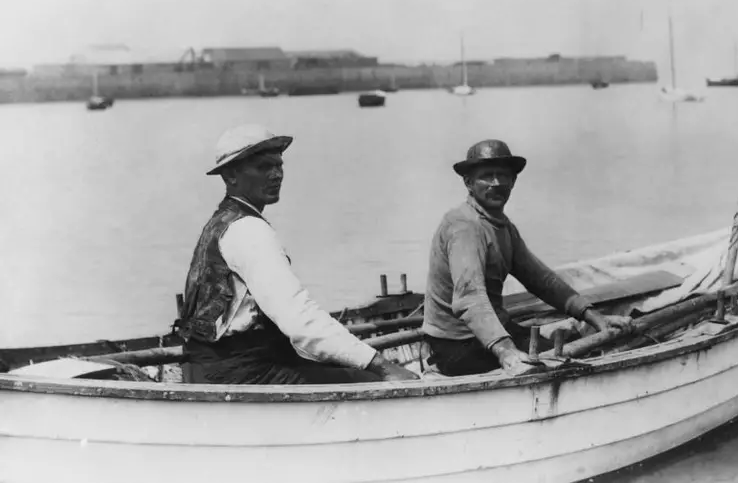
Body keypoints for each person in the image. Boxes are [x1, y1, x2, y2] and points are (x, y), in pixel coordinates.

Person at [176, 124, 418, 385]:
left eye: (278, 166)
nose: (276, 175)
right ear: (231, 176)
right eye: (263, 167)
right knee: (369, 380)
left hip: (211, 367)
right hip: (239, 373)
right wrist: (381, 366)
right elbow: (300, 321)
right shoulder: (247, 230)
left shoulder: (221, 222)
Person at [423, 139, 633, 376]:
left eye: (503, 175)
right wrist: (506, 352)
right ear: (469, 183)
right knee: (551, 366)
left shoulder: (502, 226)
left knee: (561, 353)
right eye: (487, 176)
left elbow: (542, 281)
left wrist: (595, 317)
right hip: (456, 344)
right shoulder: (464, 226)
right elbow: (469, 300)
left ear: (513, 181)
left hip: (492, 330)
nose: (496, 183)